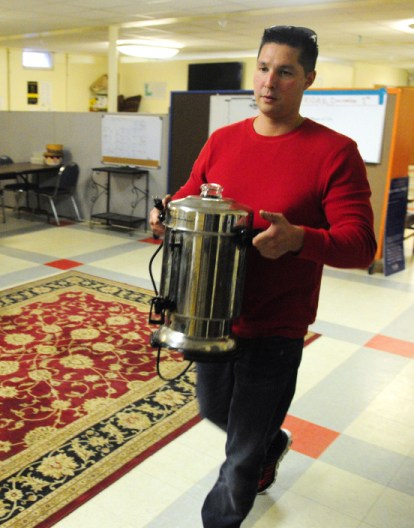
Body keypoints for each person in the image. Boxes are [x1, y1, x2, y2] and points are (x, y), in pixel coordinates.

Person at [149, 26, 376, 527]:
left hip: (277, 326)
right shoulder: (223, 141)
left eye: (286, 71)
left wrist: (299, 240)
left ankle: (225, 512)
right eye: (263, 67)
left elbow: (361, 245)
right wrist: (166, 212)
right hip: (211, 318)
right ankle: (273, 440)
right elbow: (190, 193)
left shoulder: (335, 151)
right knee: (215, 411)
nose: (270, 81)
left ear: (308, 79)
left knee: (239, 460)